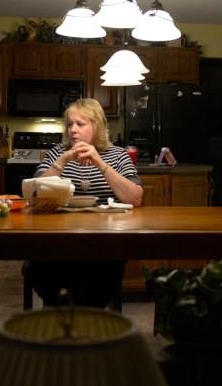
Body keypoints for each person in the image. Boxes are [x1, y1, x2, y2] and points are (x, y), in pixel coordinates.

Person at [30, 98, 143, 307]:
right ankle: (68, 315)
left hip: (104, 241)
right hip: (59, 240)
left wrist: (100, 162)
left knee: (99, 276)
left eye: (80, 124)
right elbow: (34, 194)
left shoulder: (118, 155)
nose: (73, 130)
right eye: (70, 124)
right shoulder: (57, 153)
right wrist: (63, 160)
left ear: (97, 127)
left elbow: (135, 198)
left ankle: (84, 318)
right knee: (50, 271)